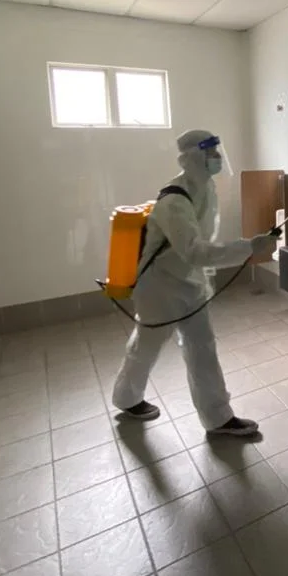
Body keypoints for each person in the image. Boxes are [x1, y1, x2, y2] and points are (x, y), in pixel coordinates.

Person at [112, 129, 276, 437]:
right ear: (193, 157)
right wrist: (248, 247)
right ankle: (127, 398)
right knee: (146, 345)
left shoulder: (205, 187)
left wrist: (249, 247)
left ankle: (218, 418)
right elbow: (195, 251)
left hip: (189, 283)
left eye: (217, 152)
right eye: (210, 153)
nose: (217, 158)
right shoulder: (174, 201)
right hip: (160, 287)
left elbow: (199, 248)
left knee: (202, 348)